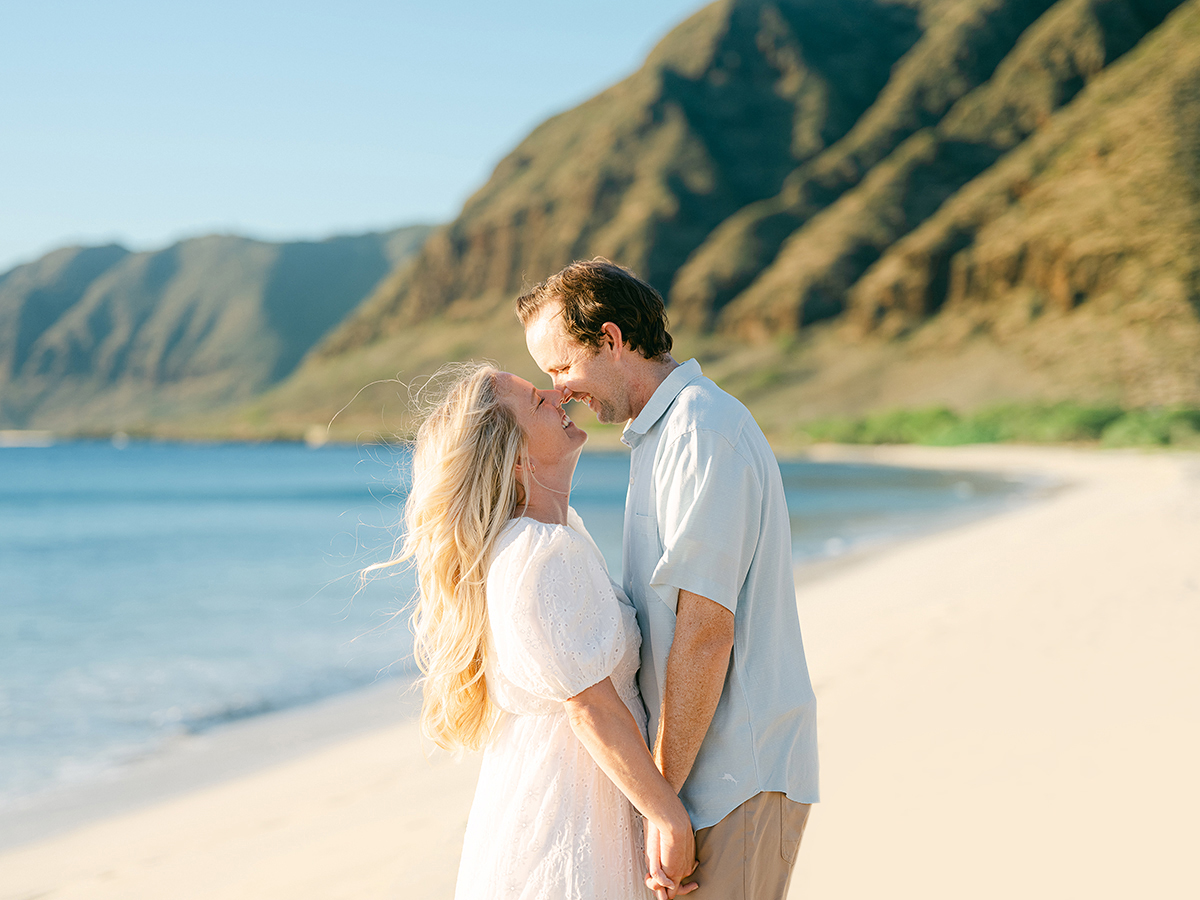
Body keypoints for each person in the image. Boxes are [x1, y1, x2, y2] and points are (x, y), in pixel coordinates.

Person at [518, 260, 820, 900]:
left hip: (737, 774)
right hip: (702, 777)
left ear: (612, 340)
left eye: (562, 368)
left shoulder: (701, 434)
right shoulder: (661, 437)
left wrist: (664, 800)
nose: (560, 391)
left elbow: (705, 633)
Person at [379, 363, 697, 900]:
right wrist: (668, 818)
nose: (559, 394)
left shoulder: (547, 538)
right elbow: (589, 706)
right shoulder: (539, 552)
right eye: (536, 401)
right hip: (568, 823)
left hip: (558, 808)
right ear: (518, 458)